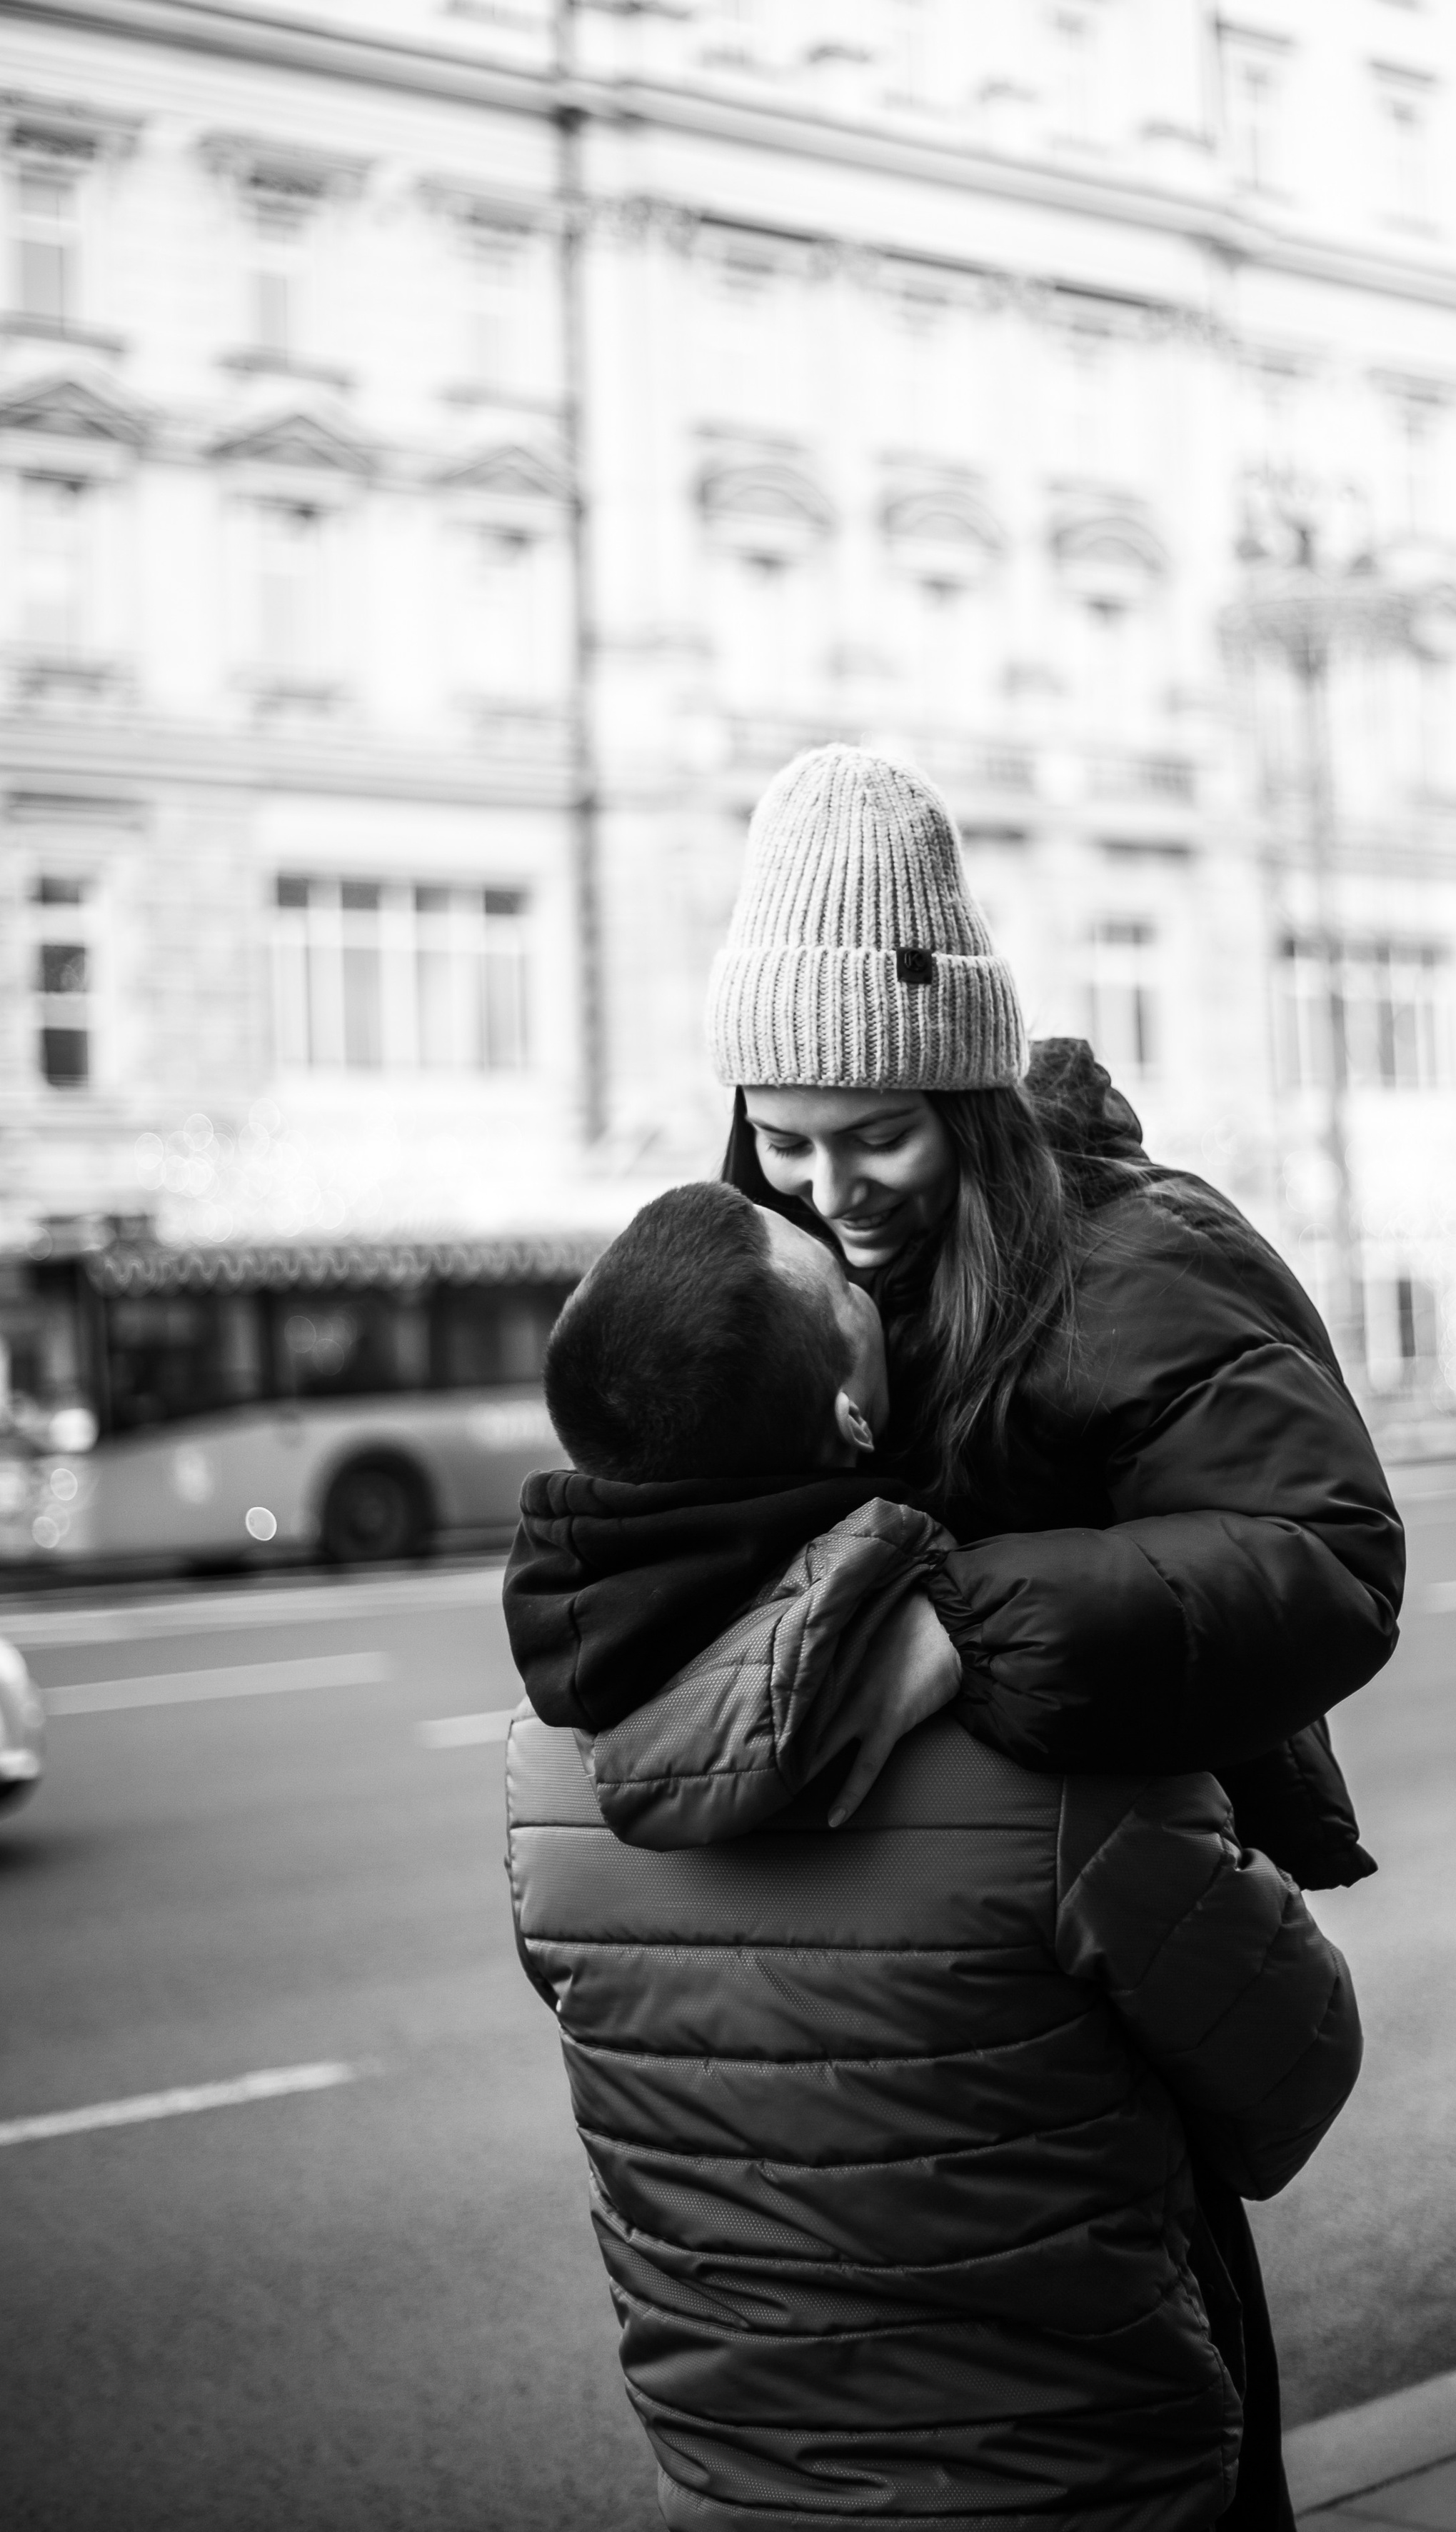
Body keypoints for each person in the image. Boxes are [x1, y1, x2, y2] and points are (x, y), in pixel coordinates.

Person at [506, 745, 1405, 2527]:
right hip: (906, 1977)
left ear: (974, 1097)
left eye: (879, 1136)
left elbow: (1325, 1559)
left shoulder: (1130, 1256)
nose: (828, 1186)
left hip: (1096, 1930)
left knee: (1145, 2390)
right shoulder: (773, 1277)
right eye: (784, 1136)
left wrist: (959, 1637)